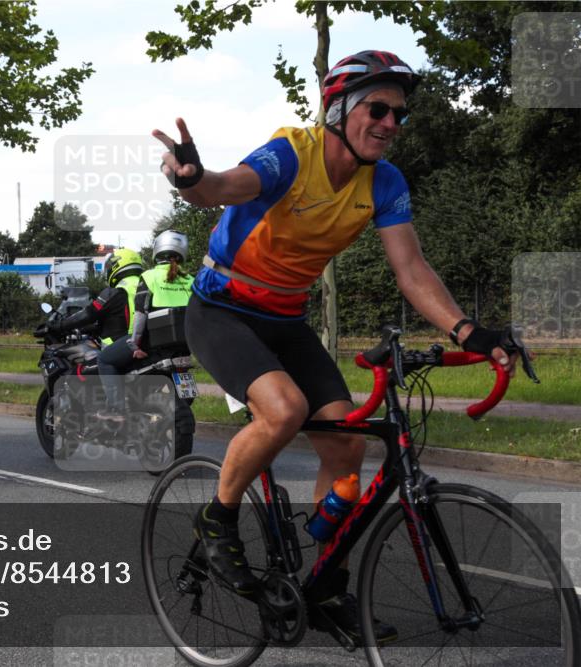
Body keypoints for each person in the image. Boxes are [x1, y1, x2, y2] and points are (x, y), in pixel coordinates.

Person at [153, 50, 520, 644]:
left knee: (347, 448)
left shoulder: (386, 182)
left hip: (285, 322)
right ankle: (217, 518)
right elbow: (224, 186)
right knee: (285, 409)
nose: (390, 124)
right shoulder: (292, 154)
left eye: (399, 115)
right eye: (378, 109)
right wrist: (194, 181)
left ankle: (324, 587)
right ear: (341, 108)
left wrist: (467, 330)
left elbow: (412, 269)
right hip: (221, 312)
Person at [96, 230, 194, 419]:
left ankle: (115, 409)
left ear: (157, 250)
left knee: (105, 360)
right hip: (183, 345)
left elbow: (140, 314)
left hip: (152, 342)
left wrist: (135, 344)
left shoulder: (149, 277)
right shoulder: (190, 279)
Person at [47, 248, 144, 420]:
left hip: (122, 346)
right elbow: (118, 319)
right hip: (144, 343)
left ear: (115, 267)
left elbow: (88, 314)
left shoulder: (114, 292)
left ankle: (115, 408)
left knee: (94, 364)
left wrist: (60, 325)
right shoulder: (146, 285)